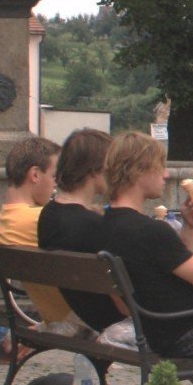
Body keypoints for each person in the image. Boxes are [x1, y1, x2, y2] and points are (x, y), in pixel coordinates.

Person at [99, 132, 193, 359]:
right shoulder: (150, 231)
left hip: (155, 333)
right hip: (188, 333)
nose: (165, 174)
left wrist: (190, 228)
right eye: (159, 166)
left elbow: (169, 276)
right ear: (138, 171)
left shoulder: (105, 226)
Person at [39, 128, 126, 333]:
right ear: (95, 170)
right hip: (113, 318)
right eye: (111, 167)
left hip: (86, 311)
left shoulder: (49, 214)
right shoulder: (93, 225)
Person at [0, 135, 80, 331]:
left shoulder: (6, 219)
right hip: (84, 320)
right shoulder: (41, 220)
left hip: (57, 319)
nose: (57, 184)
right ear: (35, 175)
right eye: (54, 176)